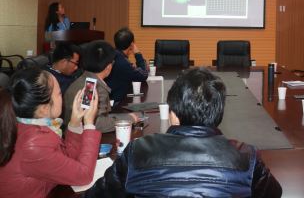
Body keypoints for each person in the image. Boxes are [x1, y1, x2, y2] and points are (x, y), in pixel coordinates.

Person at [86, 67, 282, 197]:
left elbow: (97, 195)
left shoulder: (137, 150)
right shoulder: (246, 156)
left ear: (173, 114)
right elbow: (274, 193)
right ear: (218, 114)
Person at [0, 67, 100, 197]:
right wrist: (89, 124)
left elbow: (66, 161)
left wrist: (75, 123)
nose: (62, 97)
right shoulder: (34, 144)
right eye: (59, 93)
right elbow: (83, 176)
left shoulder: (25, 125)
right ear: (43, 109)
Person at [63, 40, 137, 133]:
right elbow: (95, 123)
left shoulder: (84, 79)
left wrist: (125, 117)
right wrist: (129, 119)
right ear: (108, 67)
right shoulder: (90, 87)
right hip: (80, 138)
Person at [105, 27, 149, 105]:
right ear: (131, 44)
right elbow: (144, 75)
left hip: (110, 98)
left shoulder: (113, 54)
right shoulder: (122, 62)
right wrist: (137, 53)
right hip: (116, 104)